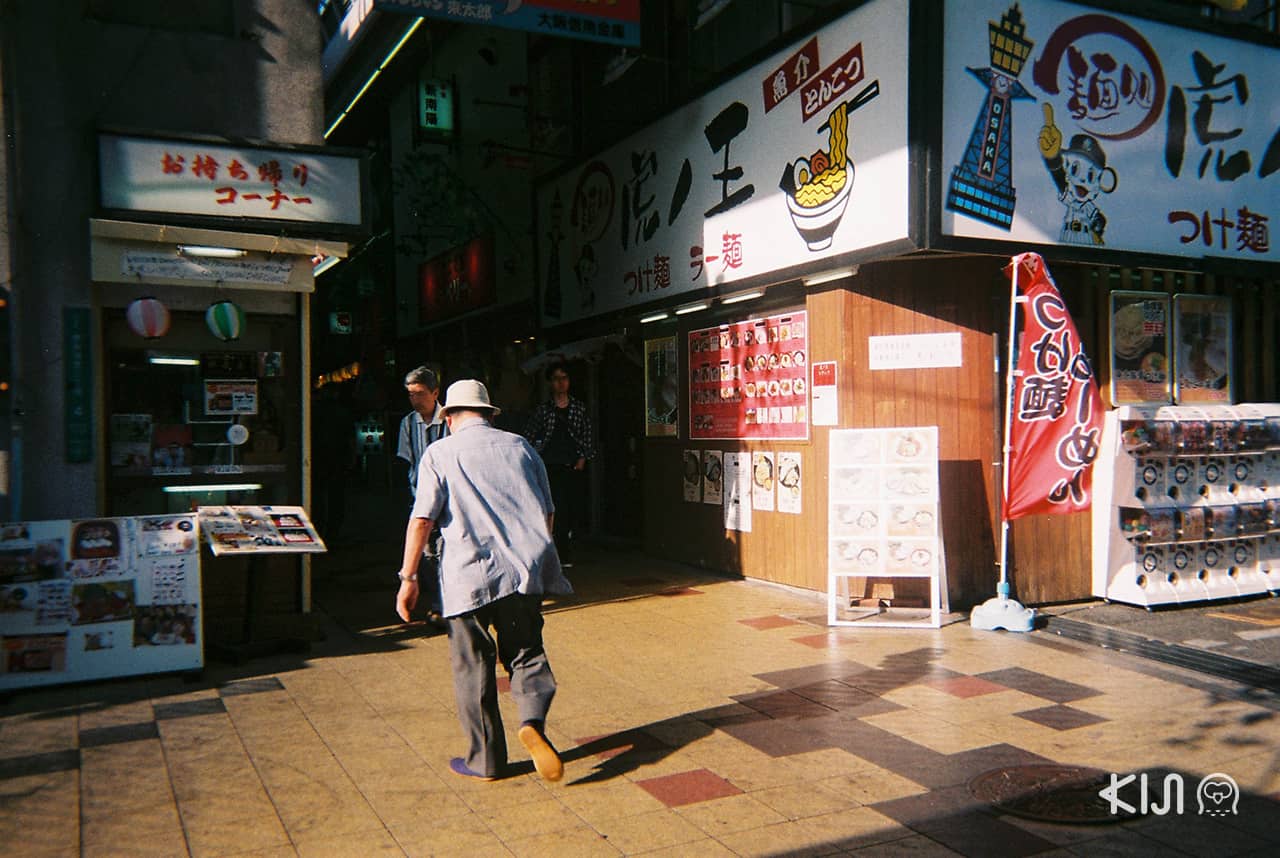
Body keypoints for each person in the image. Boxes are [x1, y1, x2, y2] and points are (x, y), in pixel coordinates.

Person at [395, 379, 571, 783]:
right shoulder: (521, 447)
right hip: (522, 572)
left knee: (473, 667)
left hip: (466, 578)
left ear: (451, 416)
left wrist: (408, 578)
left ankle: (486, 761)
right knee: (527, 654)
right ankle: (532, 722)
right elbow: (547, 513)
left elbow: (422, 519)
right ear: (489, 414)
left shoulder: (439, 453)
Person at [523, 362, 595, 567]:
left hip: (571, 465)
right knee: (551, 509)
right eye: (556, 378)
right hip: (548, 465)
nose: (561, 383)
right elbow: (529, 435)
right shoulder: (543, 410)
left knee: (569, 509)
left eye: (564, 378)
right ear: (550, 383)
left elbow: (587, 435)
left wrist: (582, 459)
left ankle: (564, 552)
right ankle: (554, 554)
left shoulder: (579, 408)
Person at [395, 366, 449, 622]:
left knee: (445, 551)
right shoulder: (408, 423)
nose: (415, 399)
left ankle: (445, 604)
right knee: (427, 554)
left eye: (419, 393)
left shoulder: (449, 420)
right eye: (410, 394)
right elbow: (408, 463)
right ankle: (439, 602)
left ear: (435, 392)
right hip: (421, 497)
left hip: (449, 499)